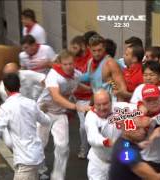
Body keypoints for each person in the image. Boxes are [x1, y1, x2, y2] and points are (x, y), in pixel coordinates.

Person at [37, 50, 91, 180]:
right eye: (65, 64)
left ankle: (58, 176)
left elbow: (76, 84)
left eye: (71, 63)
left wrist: (91, 89)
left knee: (63, 146)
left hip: (60, 113)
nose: (68, 67)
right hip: (44, 112)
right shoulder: (53, 75)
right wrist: (75, 106)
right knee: (39, 144)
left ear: (74, 63)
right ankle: (38, 170)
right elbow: (56, 97)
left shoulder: (76, 74)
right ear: (60, 64)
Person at [0, 73, 50, 180]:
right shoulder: (30, 103)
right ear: (19, 86)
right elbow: (46, 121)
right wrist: (41, 112)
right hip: (36, 154)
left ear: (5, 89)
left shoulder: (6, 107)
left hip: (25, 159)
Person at [85, 89, 123, 180]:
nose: (102, 108)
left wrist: (142, 108)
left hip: (118, 162)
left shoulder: (121, 108)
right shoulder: (91, 116)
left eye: (105, 104)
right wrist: (106, 142)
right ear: (94, 104)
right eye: (98, 104)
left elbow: (138, 108)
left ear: (111, 102)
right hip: (98, 162)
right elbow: (92, 137)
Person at [83, 34, 129, 101]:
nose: (97, 54)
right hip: (98, 103)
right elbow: (95, 88)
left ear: (104, 48)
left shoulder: (110, 63)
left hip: (111, 104)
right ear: (89, 49)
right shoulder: (90, 62)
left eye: (99, 50)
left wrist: (118, 108)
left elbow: (122, 89)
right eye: (94, 51)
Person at [68, 35, 92, 158]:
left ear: (82, 46)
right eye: (71, 47)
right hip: (76, 97)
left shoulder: (91, 60)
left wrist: (77, 83)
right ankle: (84, 149)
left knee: (85, 126)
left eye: (75, 47)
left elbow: (91, 82)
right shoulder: (71, 58)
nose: (72, 50)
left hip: (89, 98)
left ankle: (88, 149)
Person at [138, 84, 160, 173]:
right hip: (146, 160)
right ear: (143, 102)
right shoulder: (138, 114)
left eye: (155, 99)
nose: (153, 102)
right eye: (148, 100)